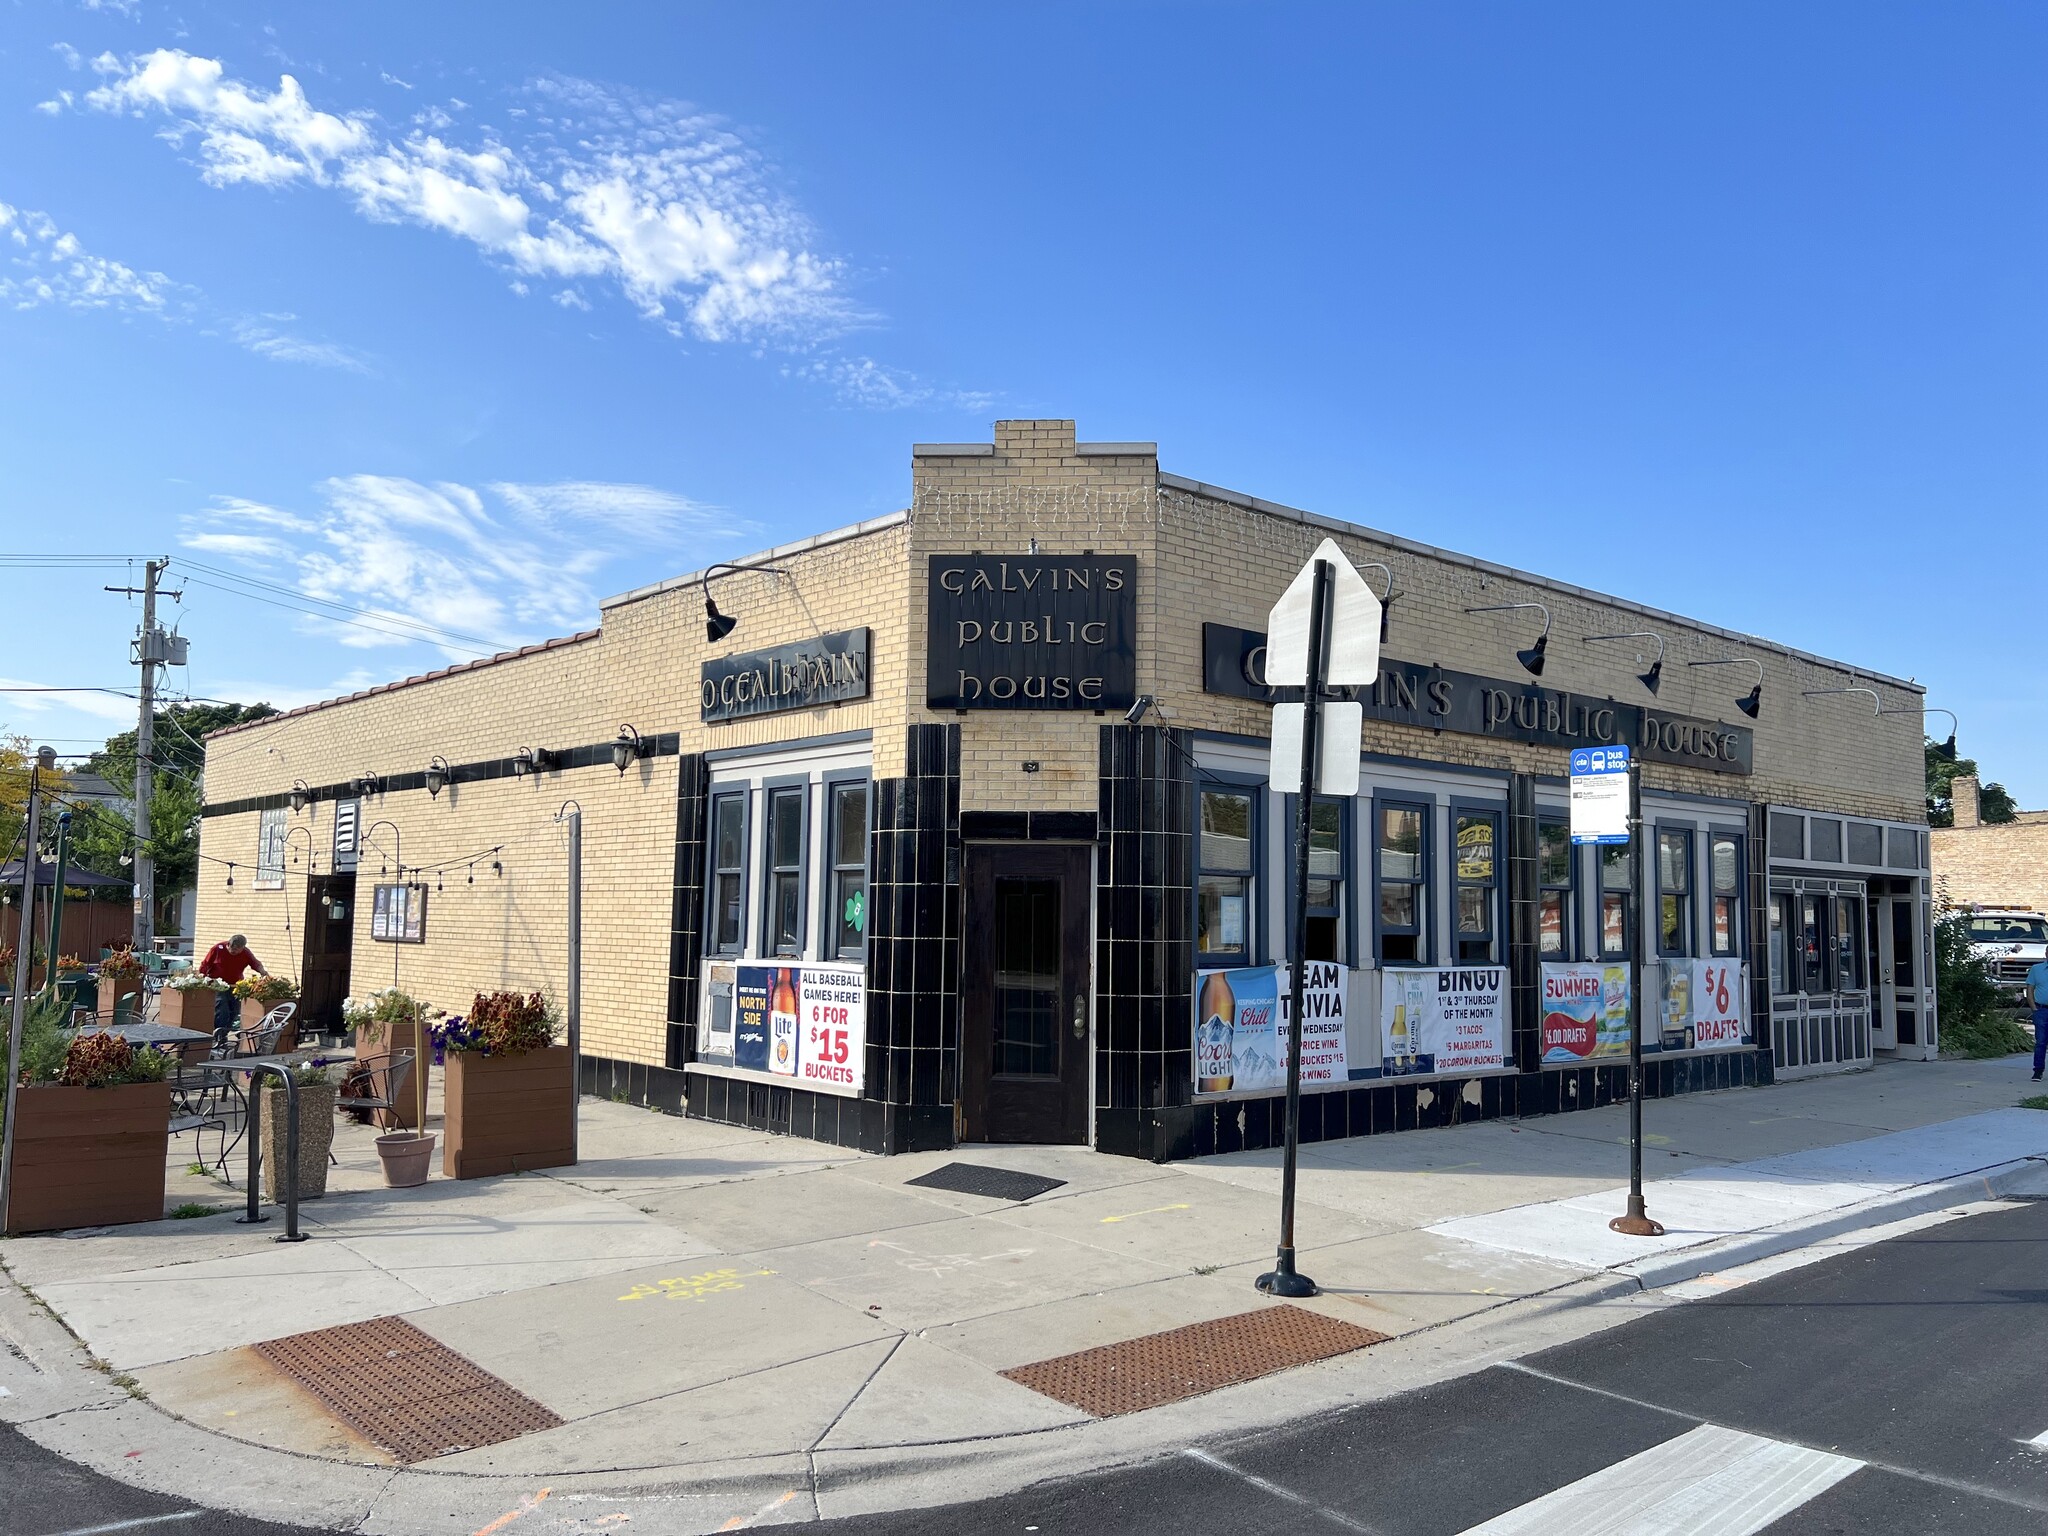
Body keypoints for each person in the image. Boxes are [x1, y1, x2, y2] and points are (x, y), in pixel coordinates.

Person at [198, 933, 267, 1049]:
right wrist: (202, 977)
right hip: (219, 985)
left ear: (242, 948)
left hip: (235, 986)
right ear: (228, 944)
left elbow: (255, 963)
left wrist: (262, 971)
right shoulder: (217, 949)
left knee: (234, 1012)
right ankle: (219, 1038)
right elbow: (205, 964)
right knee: (222, 1010)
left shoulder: (246, 953)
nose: (234, 952)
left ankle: (223, 1034)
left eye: (237, 950)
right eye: (232, 949)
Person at [2029, 954, 2048, 1082]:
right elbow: (2030, 988)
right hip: (2041, 1009)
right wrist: (2033, 1007)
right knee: (2041, 1041)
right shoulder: (2036, 969)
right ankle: (2038, 1071)